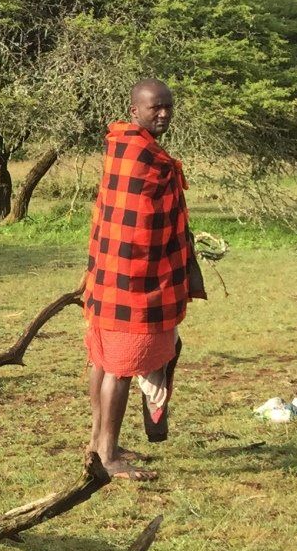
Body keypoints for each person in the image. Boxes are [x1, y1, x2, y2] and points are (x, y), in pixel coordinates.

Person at [83, 79, 206, 480]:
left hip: (108, 281)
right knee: (119, 367)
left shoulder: (133, 149)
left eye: (168, 107)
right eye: (155, 108)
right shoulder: (135, 155)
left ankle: (100, 440)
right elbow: (131, 232)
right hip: (130, 284)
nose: (164, 114)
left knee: (104, 363)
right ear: (134, 110)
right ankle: (106, 454)